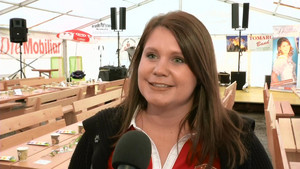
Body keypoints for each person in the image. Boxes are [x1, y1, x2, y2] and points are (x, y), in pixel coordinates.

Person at [69, 11, 272, 169]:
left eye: (178, 59)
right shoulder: (100, 132)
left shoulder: (238, 138)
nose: (159, 70)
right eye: (151, 56)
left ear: (201, 71)